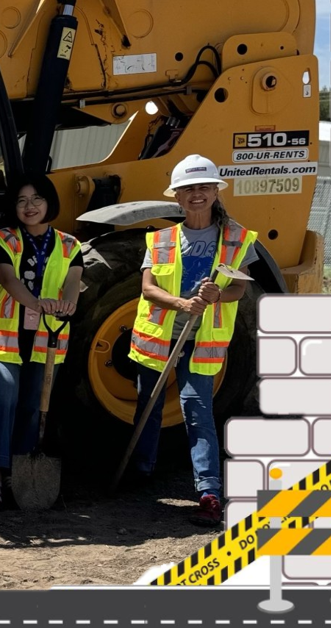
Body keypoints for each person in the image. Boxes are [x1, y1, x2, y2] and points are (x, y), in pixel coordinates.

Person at [127, 154, 257, 527]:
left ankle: (209, 493)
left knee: (197, 413)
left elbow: (238, 289)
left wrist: (218, 295)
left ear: (216, 192)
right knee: (147, 408)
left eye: (203, 188)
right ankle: (140, 471)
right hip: (159, 337)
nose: (196, 195)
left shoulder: (235, 238)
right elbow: (148, 288)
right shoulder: (162, 238)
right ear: (178, 198)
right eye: (188, 190)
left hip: (203, 341)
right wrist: (181, 303)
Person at [0, 174, 83, 507]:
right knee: (3, 394)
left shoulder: (71, 245)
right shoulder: (2, 239)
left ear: (50, 202)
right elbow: (7, 279)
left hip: (46, 339)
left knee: (33, 406)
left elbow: (72, 284)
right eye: (22, 201)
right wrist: (36, 303)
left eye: (37, 198)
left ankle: (20, 469)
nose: (30, 206)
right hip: (5, 334)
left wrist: (66, 304)